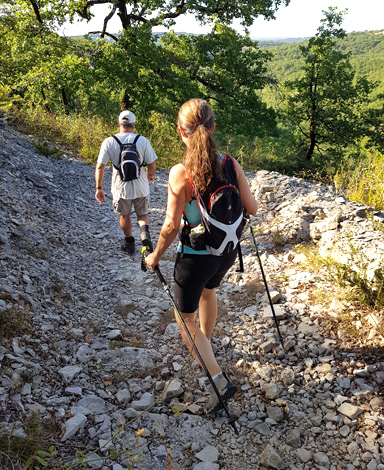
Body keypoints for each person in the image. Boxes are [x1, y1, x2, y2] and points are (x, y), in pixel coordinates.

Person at [145, 98, 258, 413]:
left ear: (180, 131)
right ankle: (204, 346)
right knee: (210, 292)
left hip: (196, 256)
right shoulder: (231, 164)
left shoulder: (182, 173)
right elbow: (252, 208)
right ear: (213, 127)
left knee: (184, 320)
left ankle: (218, 380)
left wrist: (154, 256)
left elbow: (169, 225)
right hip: (227, 253)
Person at [95, 110, 157, 254]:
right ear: (133, 125)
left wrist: (99, 188)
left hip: (120, 188)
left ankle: (129, 243)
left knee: (125, 215)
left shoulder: (109, 141)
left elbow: (100, 166)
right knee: (142, 214)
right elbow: (152, 164)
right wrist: (151, 175)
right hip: (140, 186)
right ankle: (144, 232)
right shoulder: (142, 140)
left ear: (118, 124)